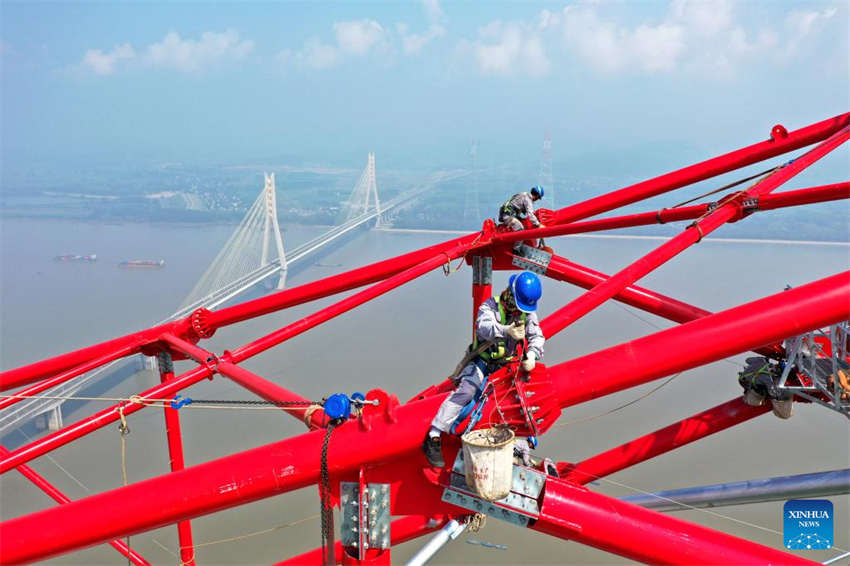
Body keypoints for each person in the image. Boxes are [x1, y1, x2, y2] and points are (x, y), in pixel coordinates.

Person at [423, 271, 545, 467]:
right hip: (483, 362)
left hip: (505, 366)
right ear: (511, 294)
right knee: (467, 391)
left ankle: (522, 442)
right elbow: (483, 327)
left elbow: (537, 336)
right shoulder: (490, 306)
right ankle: (434, 433)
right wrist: (506, 330)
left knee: (520, 400)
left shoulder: (527, 313)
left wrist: (532, 355)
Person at [499, 186, 545, 253]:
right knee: (521, 231)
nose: (537, 199)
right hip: (508, 216)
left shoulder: (523, 194)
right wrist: (538, 225)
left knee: (521, 224)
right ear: (537, 195)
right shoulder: (528, 199)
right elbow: (530, 214)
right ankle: (516, 250)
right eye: (538, 198)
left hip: (506, 215)